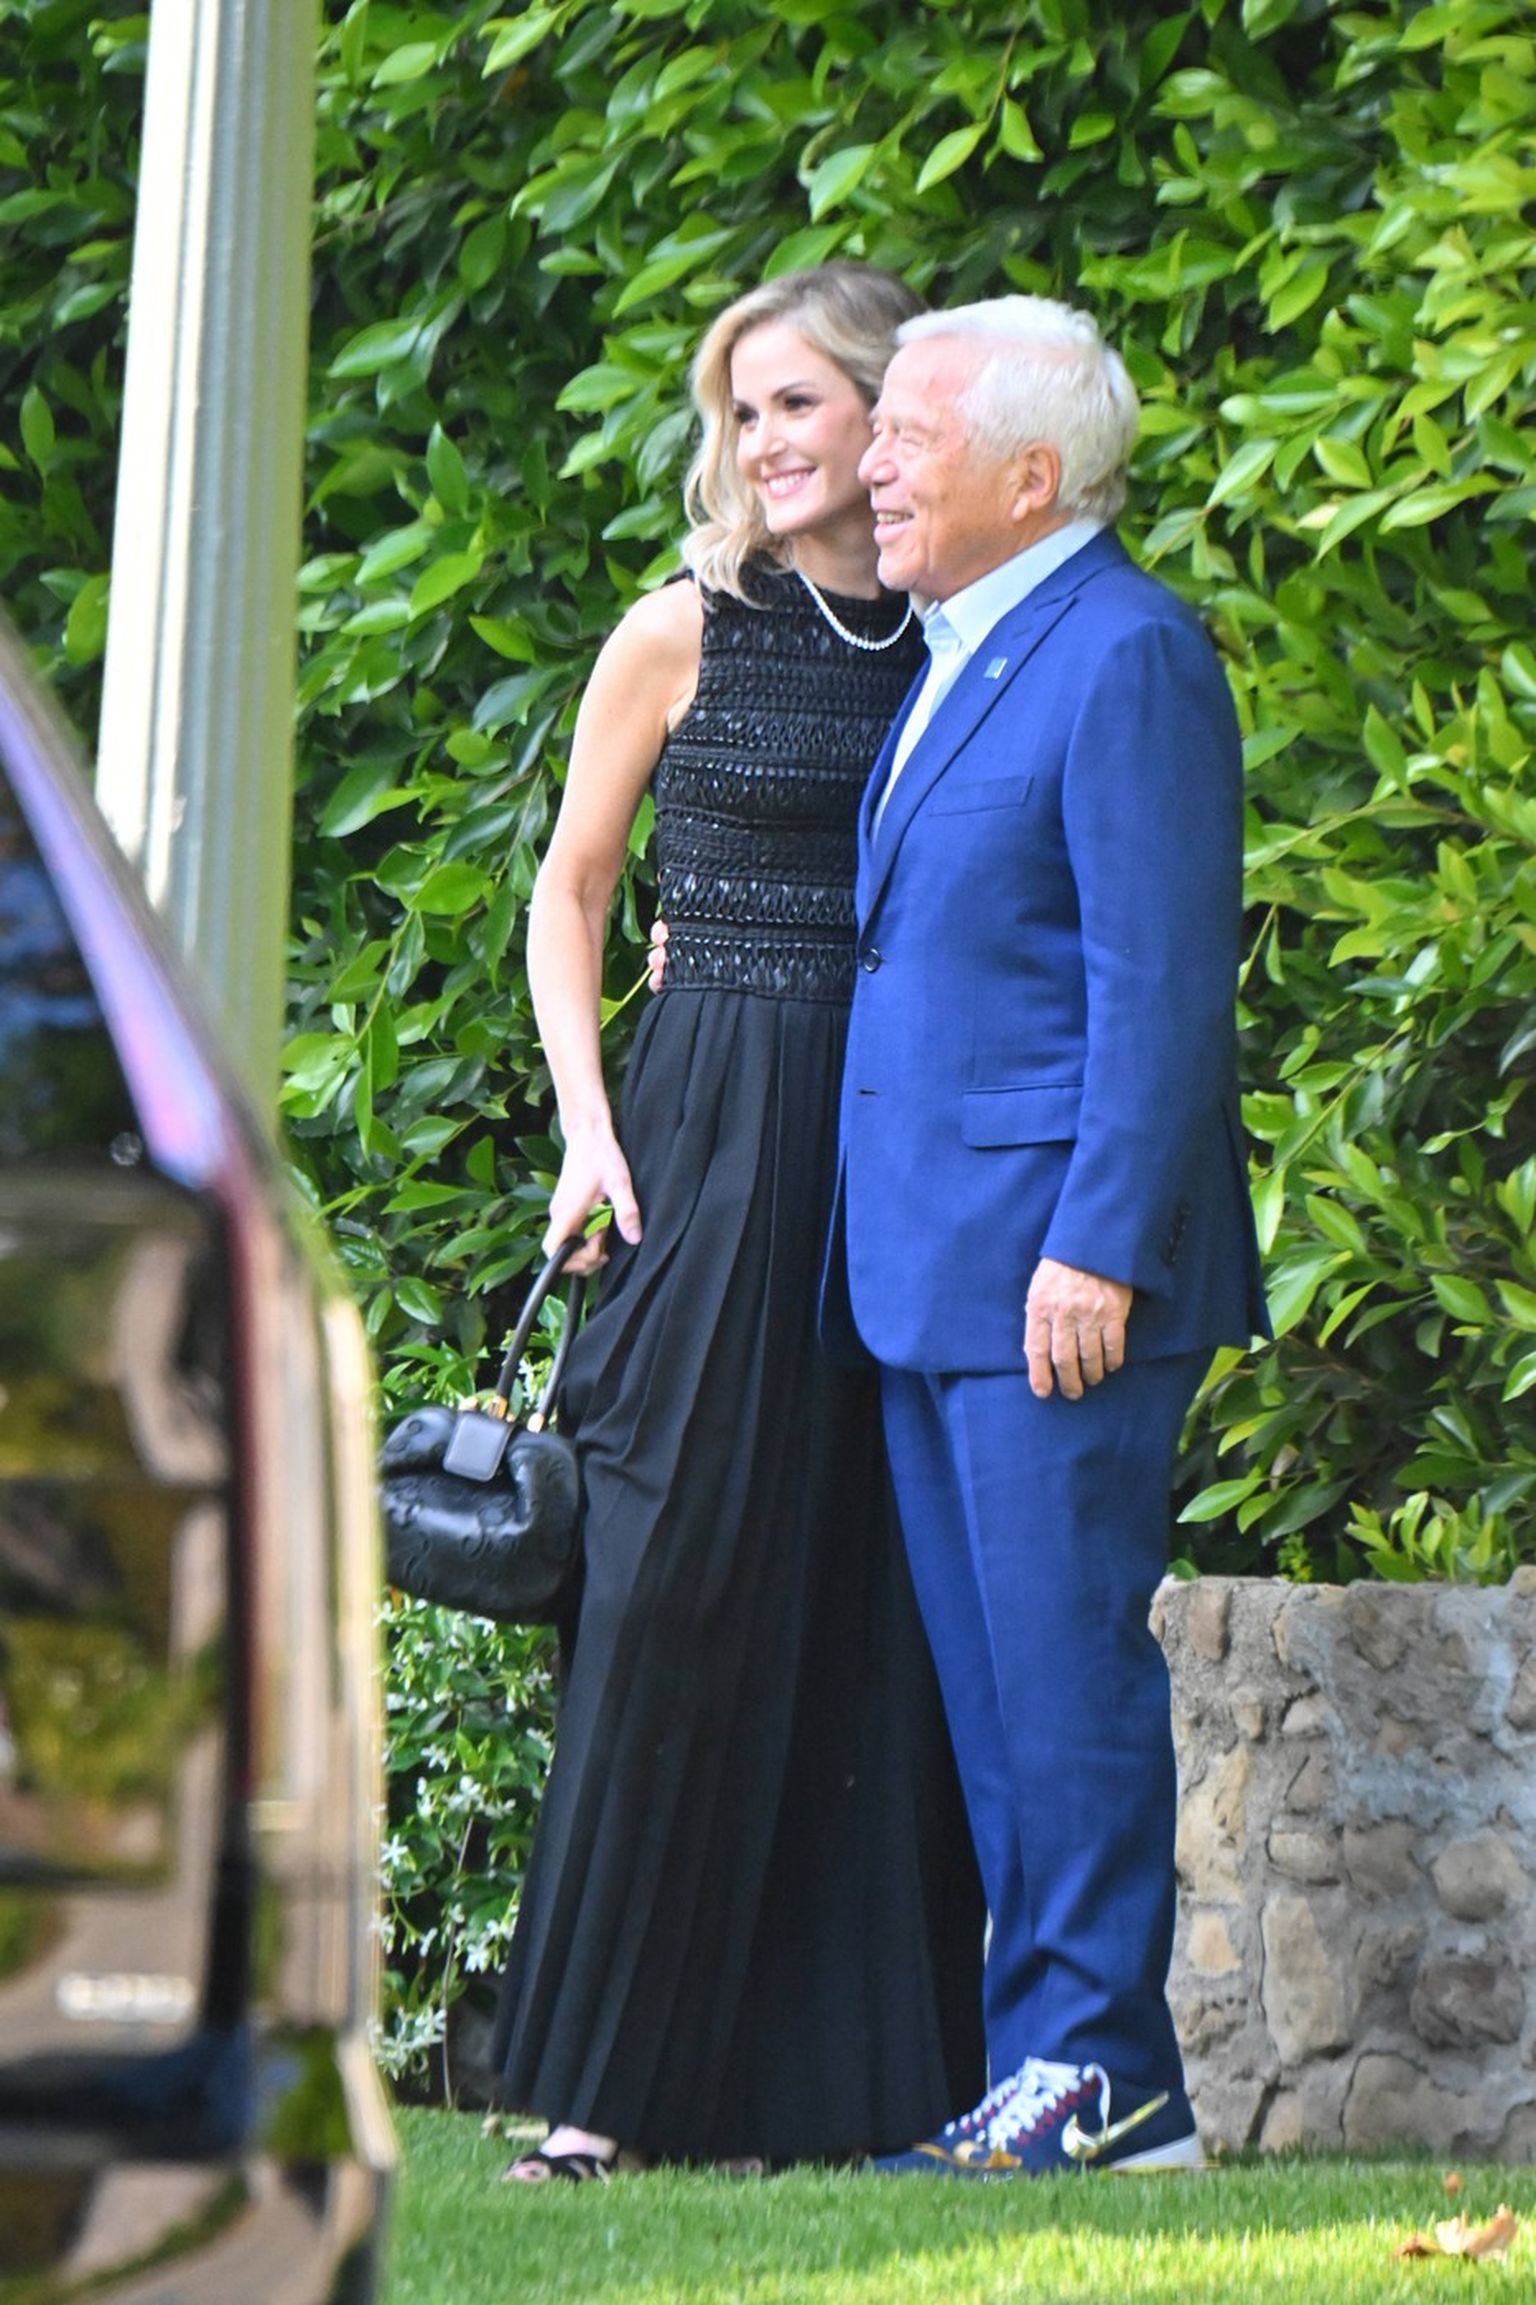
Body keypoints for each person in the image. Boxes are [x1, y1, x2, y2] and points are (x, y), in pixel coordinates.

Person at [490, 263, 985, 2181]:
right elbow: (571, 890)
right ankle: (598, 2092)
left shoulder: (958, 636)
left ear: (885, 413)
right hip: (702, 1132)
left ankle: (868, 2094)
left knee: (874, 1602)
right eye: (745, 410)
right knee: (669, 1592)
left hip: (895, 1141)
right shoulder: (681, 626)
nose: (765, 442)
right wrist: (584, 1131)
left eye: (799, 403)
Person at [832, 295, 1269, 2177]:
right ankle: (1066, 2070)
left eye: (905, 435)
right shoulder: (964, 649)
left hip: (1055, 1283)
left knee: (1068, 1680)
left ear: (1032, 475)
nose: (868, 465)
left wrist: (1096, 1243)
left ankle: (1102, 2074)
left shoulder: (1128, 652)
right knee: (1004, 1704)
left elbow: (1160, 986)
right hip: (937, 1274)